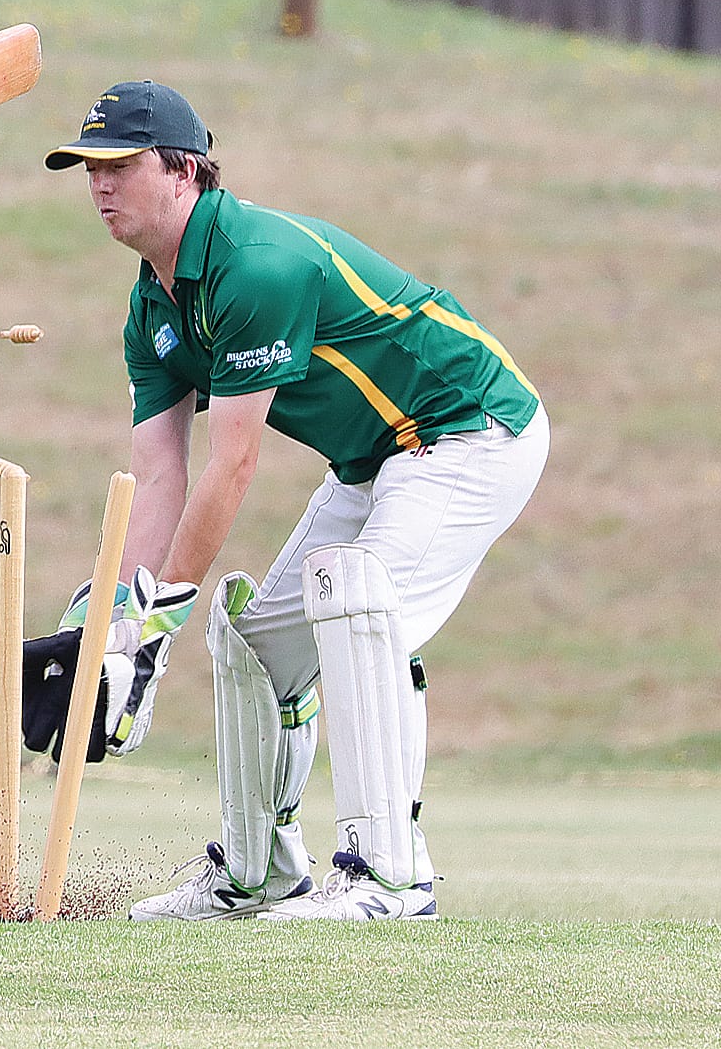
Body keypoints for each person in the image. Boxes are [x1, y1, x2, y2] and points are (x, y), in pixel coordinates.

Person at [38, 79, 548, 920]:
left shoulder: (255, 266)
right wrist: (118, 623)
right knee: (251, 641)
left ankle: (389, 876)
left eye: (118, 164)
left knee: (356, 604)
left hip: (468, 430)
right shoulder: (152, 301)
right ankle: (258, 872)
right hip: (373, 459)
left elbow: (230, 467)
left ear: (183, 171)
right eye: (88, 166)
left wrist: (157, 622)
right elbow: (160, 473)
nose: (98, 184)